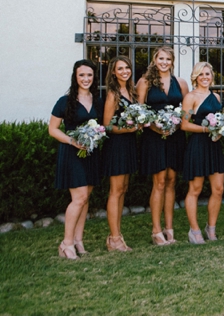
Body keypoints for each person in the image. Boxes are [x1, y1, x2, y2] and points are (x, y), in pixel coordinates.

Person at [48, 59, 103, 260]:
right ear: (75, 77)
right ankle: (66, 243)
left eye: (89, 75)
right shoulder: (65, 101)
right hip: (72, 153)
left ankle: (79, 240)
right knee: (78, 198)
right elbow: (52, 129)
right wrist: (72, 141)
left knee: (86, 197)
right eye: (82, 75)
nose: (86, 79)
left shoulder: (97, 100)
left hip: (91, 153)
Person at [136, 46, 188, 246]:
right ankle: (156, 231)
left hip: (175, 136)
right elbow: (139, 112)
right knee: (158, 181)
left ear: (172, 61)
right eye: (161, 58)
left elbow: (187, 110)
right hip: (154, 137)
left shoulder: (180, 83)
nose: (164, 62)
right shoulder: (145, 82)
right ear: (154, 60)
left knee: (171, 180)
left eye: (168, 59)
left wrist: (178, 123)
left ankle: (170, 228)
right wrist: (156, 127)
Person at [181, 62, 224, 244]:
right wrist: (206, 130)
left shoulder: (215, 96)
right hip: (198, 145)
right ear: (195, 77)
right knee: (196, 189)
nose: (205, 77)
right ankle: (194, 231)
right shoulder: (190, 97)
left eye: (208, 73)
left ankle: (211, 228)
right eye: (201, 74)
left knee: (218, 189)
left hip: (214, 146)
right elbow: (184, 124)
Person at [102, 56, 140, 251]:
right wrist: (127, 129)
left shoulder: (131, 92)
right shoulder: (113, 94)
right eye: (120, 68)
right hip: (117, 145)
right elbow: (107, 125)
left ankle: (116, 234)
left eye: (127, 68)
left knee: (123, 189)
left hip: (129, 144)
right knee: (115, 191)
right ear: (114, 72)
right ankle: (114, 238)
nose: (125, 71)